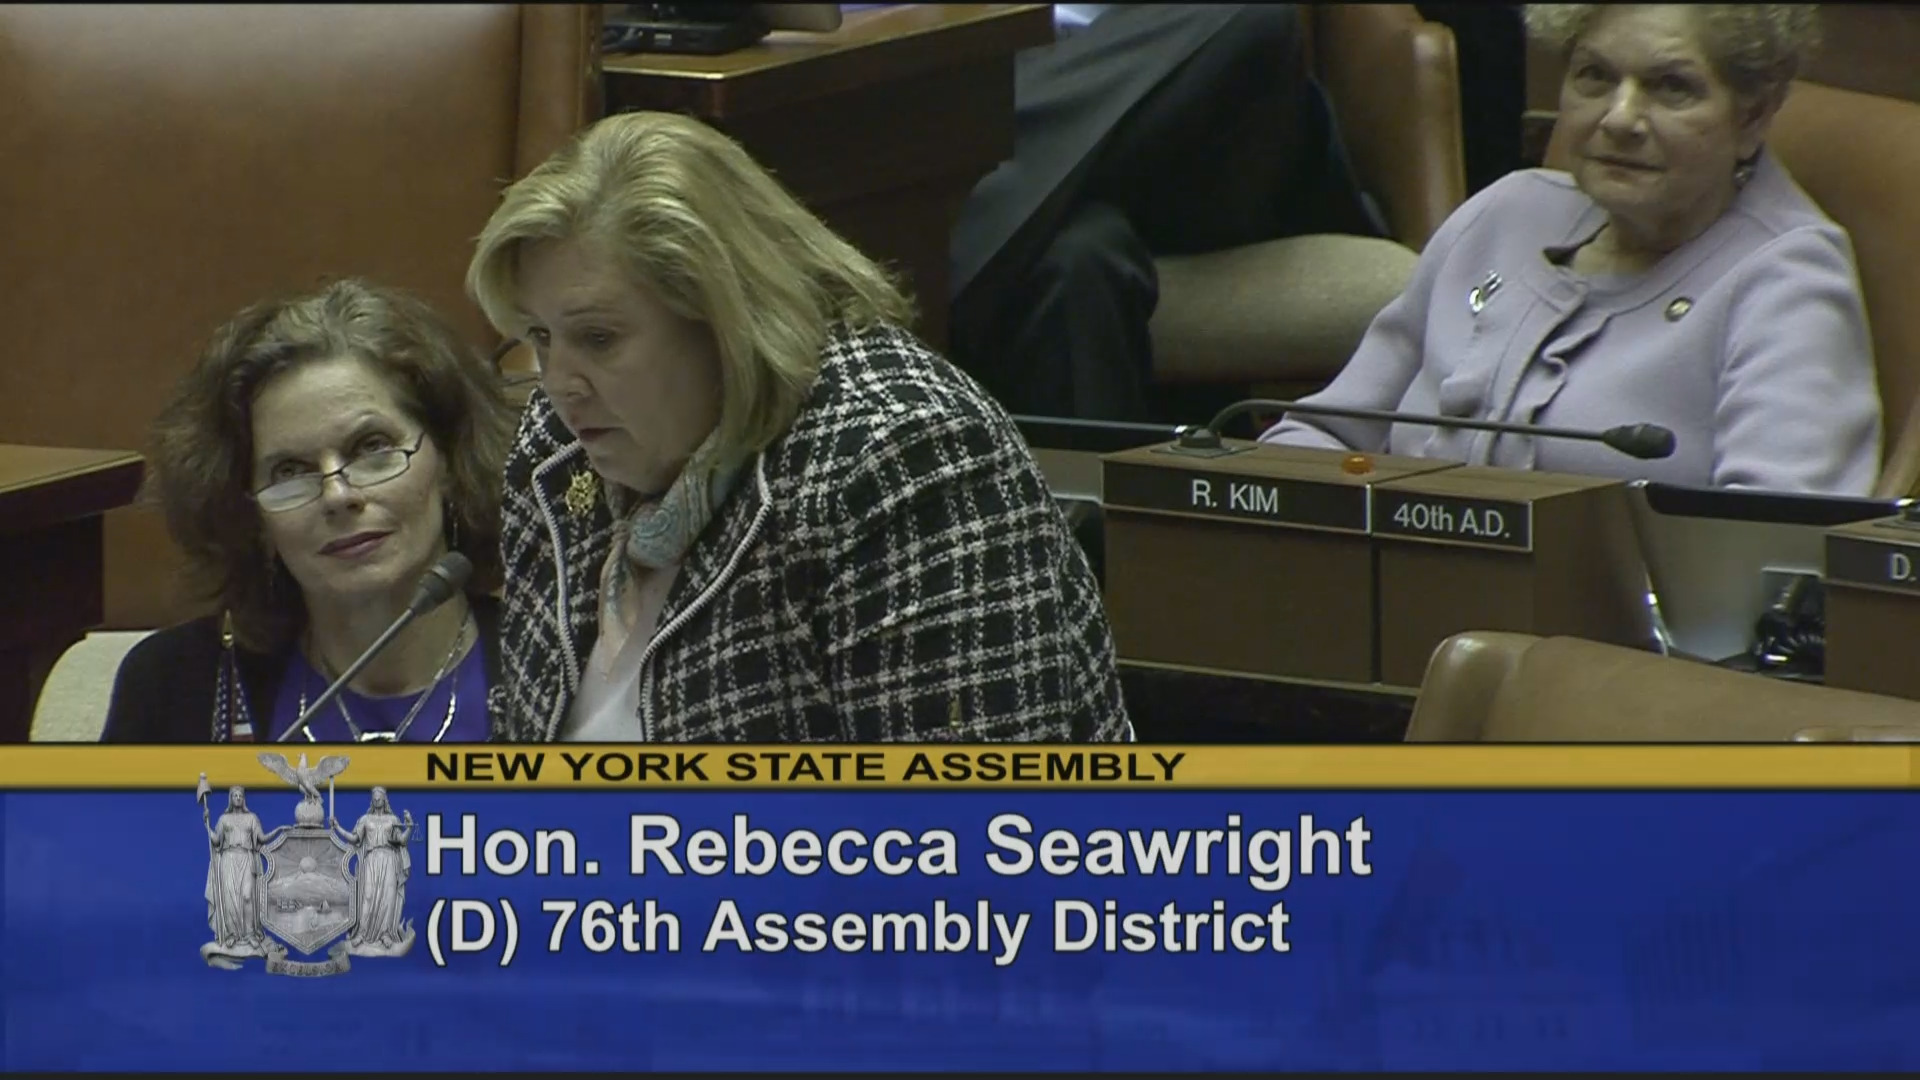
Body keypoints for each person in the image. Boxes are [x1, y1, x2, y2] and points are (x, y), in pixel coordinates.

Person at [467, 110, 1132, 743]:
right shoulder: (559, 453)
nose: (559, 383)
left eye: (599, 338)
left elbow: (965, 816)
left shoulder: (899, 458)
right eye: (541, 337)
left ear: (724, 319)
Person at [1262, 4, 1882, 495]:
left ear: (1753, 117)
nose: (1619, 117)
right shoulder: (1504, 214)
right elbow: (1322, 433)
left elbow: (1771, 550)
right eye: (1595, 76)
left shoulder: (1786, 281)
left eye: (1671, 87)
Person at [101, 279, 515, 743]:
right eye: (289, 471)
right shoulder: (173, 686)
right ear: (251, 514)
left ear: (449, 461)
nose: (337, 495)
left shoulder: (553, 665)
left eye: (371, 447)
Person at [947, 4, 1383, 424]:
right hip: (993, 82)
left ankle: (954, 231)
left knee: (1251, 12)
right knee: (1078, 257)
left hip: (1188, 85)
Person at [337, 787, 414, 956]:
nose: (377, 799)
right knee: (367, 896)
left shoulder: (393, 819)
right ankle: (361, 934)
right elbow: (355, 838)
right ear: (372, 799)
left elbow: (401, 840)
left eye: (379, 797)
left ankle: (386, 934)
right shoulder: (365, 819)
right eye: (374, 797)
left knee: (388, 897)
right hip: (371, 860)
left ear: (385, 799)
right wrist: (338, 827)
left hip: (389, 860)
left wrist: (409, 826)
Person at [201, 786, 268, 968]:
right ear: (230, 799)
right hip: (229, 859)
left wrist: (280, 831)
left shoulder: (251, 818)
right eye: (235, 795)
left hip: (246, 857)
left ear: (243, 799)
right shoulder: (224, 819)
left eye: (240, 795)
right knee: (230, 898)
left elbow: (261, 838)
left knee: (247, 897)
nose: (238, 798)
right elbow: (217, 841)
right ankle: (231, 935)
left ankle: (250, 934)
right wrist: (207, 825)